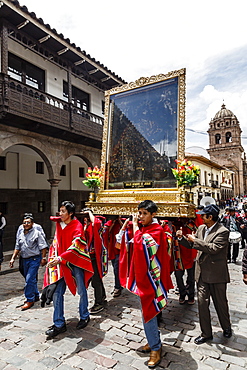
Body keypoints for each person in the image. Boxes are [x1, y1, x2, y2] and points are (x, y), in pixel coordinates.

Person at [119, 200, 173, 368]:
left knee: (149, 312)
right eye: (139, 213)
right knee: (148, 312)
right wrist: (126, 228)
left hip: (153, 280)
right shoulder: (143, 229)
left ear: (153, 215)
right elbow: (122, 243)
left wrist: (135, 227)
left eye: (144, 213)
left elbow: (142, 245)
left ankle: (156, 349)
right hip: (143, 277)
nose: (140, 217)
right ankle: (153, 340)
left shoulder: (157, 230)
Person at [176, 204, 232, 345]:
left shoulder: (222, 231)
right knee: (202, 304)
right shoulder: (201, 228)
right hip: (201, 274)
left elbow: (213, 248)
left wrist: (195, 240)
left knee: (220, 303)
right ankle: (206, 333)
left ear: (210, 217)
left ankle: (226, 327)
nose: (200, 217)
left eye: (203, 215)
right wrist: (182, 239)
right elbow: (193, 246)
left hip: (216, 274)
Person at [43, 201, 94, 338]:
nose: (61, 213)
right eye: (60, 210)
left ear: (70, 213)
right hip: (61, 262)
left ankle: (84, 315)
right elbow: (56, 242)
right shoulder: (59, 223)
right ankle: (59, 324)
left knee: (81, 290)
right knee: (57, 293)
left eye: (63, 211)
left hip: (75, 262)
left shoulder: (77, 226)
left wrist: (60, 258)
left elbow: (76, 245)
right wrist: (53, 257)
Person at [9, 214, 47, 310]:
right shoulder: (21, 232)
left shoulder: (37, 232)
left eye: (28, 222)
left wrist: (43, 258)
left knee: (29, 279)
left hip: (34, 259)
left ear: (32, 223)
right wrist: (13, 258)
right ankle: (36, 295)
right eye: (24, 222)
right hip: (24, 259)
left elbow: (43, 246)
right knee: (30, 279)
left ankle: (29, 299)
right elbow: (17, 246)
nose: (26, 224)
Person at [82, 208, 108, 314]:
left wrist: (89, 214)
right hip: (88, 256)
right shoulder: (85, 225)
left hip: (96, 256)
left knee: (96, 280)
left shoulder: (97, 221)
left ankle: (99, 303)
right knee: (96, 279)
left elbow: (97, 225)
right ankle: (102, 296)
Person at [103, 215, 123, 297]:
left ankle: (119, 286)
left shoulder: (123, 221)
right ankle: (118, 286)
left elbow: (126, 229)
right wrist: (113, 222)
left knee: (118, 268)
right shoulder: (109, 223)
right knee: (116, 269)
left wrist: (120, 221)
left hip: (122, 249)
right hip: (113, 249)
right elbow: (105, 233)